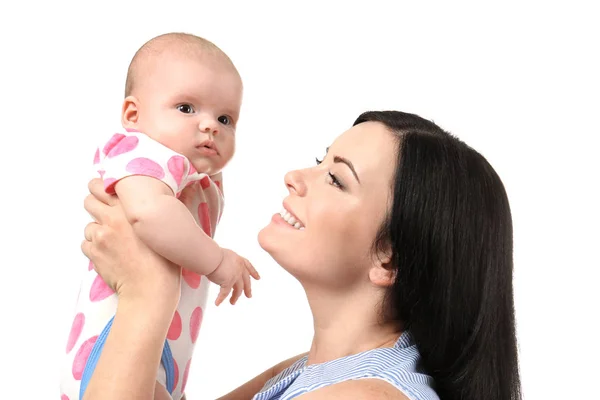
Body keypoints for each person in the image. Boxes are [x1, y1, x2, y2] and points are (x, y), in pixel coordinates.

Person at [80, 110, 522, 400]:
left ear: (388, 259)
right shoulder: (314, 371)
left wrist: (148, 292)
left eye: (336, 179)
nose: (295, 176)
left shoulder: (365, 397)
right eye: (320, 159)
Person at [61, 32, 259, 400]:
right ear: (133, 115)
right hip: (114, 336)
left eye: (226, 118)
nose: (210, 126)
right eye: (186, 108)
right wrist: (217, 261)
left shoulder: (193, 173)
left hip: (163, 345)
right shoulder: (142, 152)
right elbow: (149, 213)